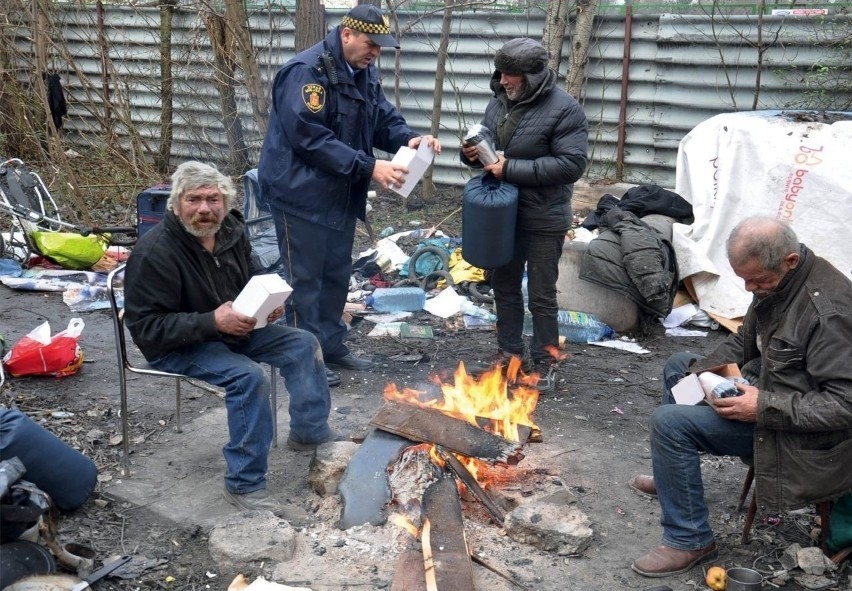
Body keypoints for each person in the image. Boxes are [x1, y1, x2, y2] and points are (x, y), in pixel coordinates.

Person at [629, 217, 852, 577]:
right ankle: (674, 478)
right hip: (770, 398)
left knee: (669, 424)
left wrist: (761, 406)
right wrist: (704, 372)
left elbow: (844, 406)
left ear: (790, 261)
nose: (749, 288)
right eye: (743, 279)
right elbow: (744, 342)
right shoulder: (778, 286)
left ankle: (690, 539)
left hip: (800, 439)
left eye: (757, 280)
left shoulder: (828, 313)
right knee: (679, 367)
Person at [123, 161, 334, 517]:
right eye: (194, 200)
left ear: (225, 201)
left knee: (303, 343)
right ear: (176, 204)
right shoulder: (154, 252)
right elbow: (146, 328)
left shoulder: (231, 228)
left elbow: (249, 276)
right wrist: (212, 322)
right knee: (248, 377)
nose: (205, 209)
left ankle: (309, 432)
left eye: (213, 199)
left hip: (233, 328)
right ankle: (244, 483)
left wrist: (266, 303)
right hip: (178, 345)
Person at [258, 5, 441, 385]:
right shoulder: (306, 74)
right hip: (299, 194)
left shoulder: (362, 73)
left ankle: (332, 344)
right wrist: (370, 167)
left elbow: (381, 118)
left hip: (338, 194)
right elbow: (311, 139)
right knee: (304, 280)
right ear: (346, 35)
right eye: (370, 44)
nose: (375, 52)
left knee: (336, 274)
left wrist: (409, 138)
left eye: (380, 47)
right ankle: (304, 359)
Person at [460, 38, 588, 392]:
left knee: (542, 294)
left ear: (532, 76)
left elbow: (571, 164)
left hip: (544, 217)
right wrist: (471, 154)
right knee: (504, 286)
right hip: (501, 215)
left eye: (511, 74)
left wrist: (510, 168)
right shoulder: (499, 100)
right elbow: (489, 149)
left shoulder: (565, 109)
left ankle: (546, 363)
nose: (503, 80)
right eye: (501, 72)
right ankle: (510, 356)